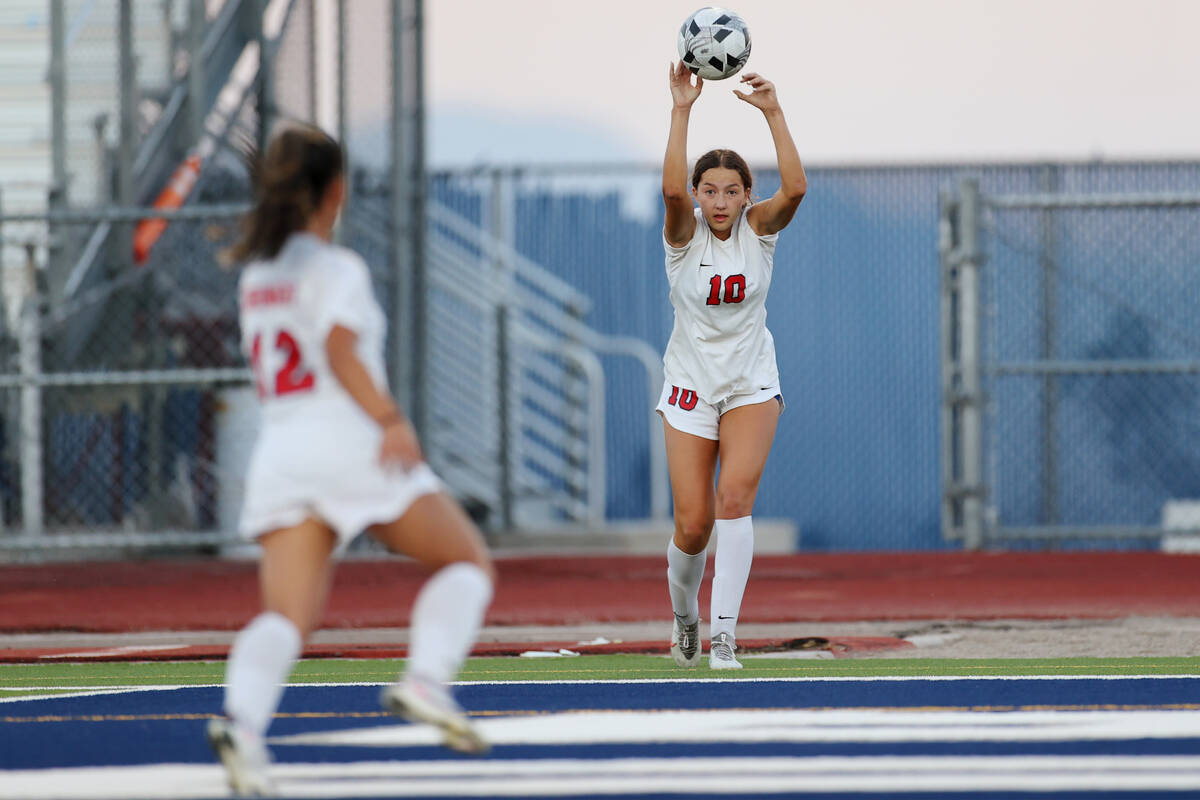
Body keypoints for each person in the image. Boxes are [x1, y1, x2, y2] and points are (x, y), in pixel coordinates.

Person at [206, 124, 495, 796]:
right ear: (336, 191)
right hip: (347, 439)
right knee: (467, 561)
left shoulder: (257, 276)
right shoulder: (339, 270)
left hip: (280, 452)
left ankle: (243, 726)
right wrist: (391, 420)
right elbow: (338, 351)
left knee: (285, 617)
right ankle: (426, 680)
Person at [658, 63, 807, 670]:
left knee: (735, 499)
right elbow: (669, 193)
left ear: (747, 195)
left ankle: (724, 636)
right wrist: (682, 108)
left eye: (731, 190)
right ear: (698, 194)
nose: (720, 201)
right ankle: (686, 619)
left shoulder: (758, 232)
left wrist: (772, 109)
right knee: (693, 527)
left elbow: (795, 190)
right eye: (710, 190)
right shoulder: (682, 234)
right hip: (691, 386)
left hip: (750, 383)